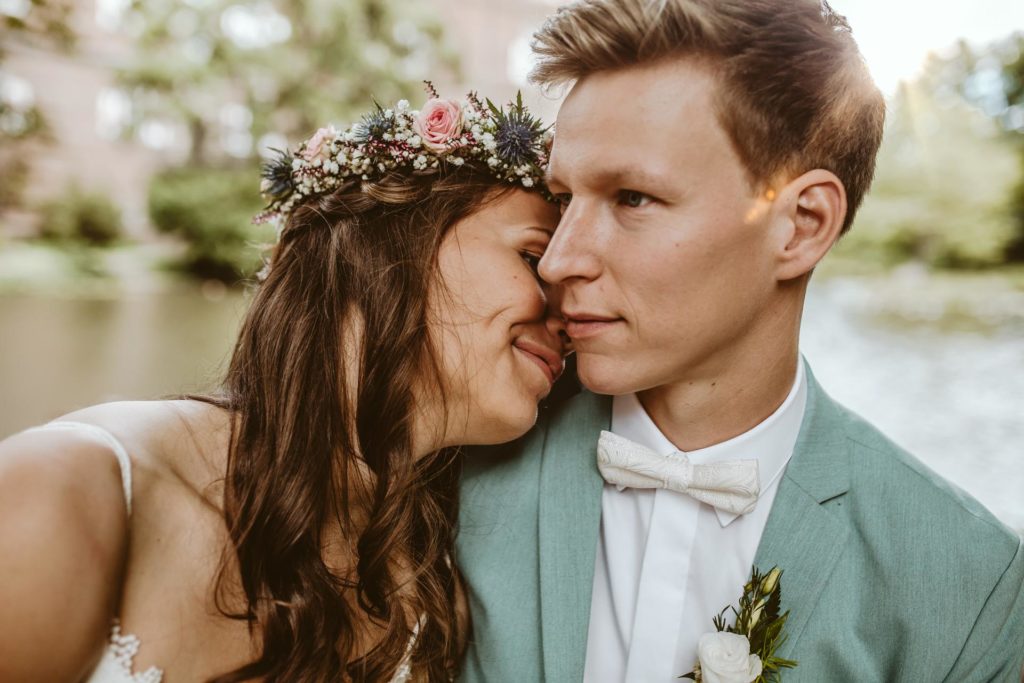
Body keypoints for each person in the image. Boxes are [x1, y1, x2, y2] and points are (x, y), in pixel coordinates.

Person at [455, 1, 1024, 681]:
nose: (558, 261)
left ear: (801, 225)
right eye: (562, 199)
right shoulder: (450, 473)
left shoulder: (973, 587)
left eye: (632, 198)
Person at [0, 88, 566, 682]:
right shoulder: (66, 496)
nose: (568, 316)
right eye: (534, 259)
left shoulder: (433, 601)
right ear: (389, 243)